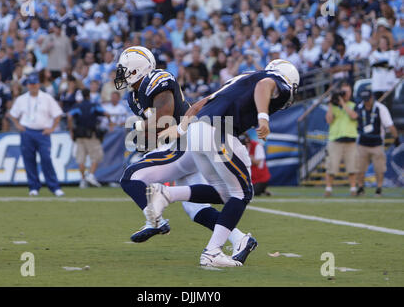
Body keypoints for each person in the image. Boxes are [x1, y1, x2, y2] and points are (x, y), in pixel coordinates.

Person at [147, 59, 299, 267]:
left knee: (225, 192)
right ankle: (212, 252)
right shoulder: (274, 80)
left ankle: (167, 194)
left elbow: (201, 103)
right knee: (242, 193)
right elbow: (265, 85)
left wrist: (181, 131)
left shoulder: (242, 78)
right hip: (218, 131)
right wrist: (263, 118)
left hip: (198, 130)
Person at [115, 46, 256, 262]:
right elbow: (156, 128)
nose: (120, 73)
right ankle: (240, 239)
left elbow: (165, 118)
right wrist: (146, 134)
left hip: (185, 141)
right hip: (179, 144)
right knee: (196, 209)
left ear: (137, 69)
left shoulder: (156, 79)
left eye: (124, 68)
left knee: (131, 177)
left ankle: (155, 220)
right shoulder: (134, 97)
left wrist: (141, 130)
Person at [9, 72, 65, 197]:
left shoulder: (47, 98)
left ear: (39, 85)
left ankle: (54, 187)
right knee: (29, 160)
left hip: (42, 132)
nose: (32, 86)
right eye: (30, 84)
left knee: (46, 159)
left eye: (34, 83)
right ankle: (33, 187)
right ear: (27, 85)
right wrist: (18, 125)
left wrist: (52, 128)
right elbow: (12, 114)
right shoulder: (21, 99)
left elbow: (58, 114)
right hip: (27, 132)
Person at [355, 90, 400, 197]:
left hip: (377, 144)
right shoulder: (359, 108)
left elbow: (389, 124)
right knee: (360, 168)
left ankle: (379, 188)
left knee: (379, 169)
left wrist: (396, 138)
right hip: (362, 144)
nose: (366, 102)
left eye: (368, 100)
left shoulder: (380, 108)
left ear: (372, 98)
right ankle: (360, 187)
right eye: (364, 100)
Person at [68, 88, 109, 189]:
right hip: (91, 135)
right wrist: (111, 123)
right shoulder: (93, 105)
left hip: (79, 135)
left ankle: (82, 180)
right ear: (89, 95)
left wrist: (71, 131)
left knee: (81, 158)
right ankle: (90, 175)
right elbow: (105, 113)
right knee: (96, 156)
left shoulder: (77, 105)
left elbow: (69, 116)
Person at [324, 81, 358, 197]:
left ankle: (353, 189)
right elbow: (329, 120)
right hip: (335, 140)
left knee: (352, 167)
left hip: (350, 141)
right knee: (331, 167)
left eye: (347, 91)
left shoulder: (354, 105)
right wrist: (330, 104)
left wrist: (343, 103)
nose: (345, 94)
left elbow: (354, 116)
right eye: (343, 91)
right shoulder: (333, 106)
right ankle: (328, 189)